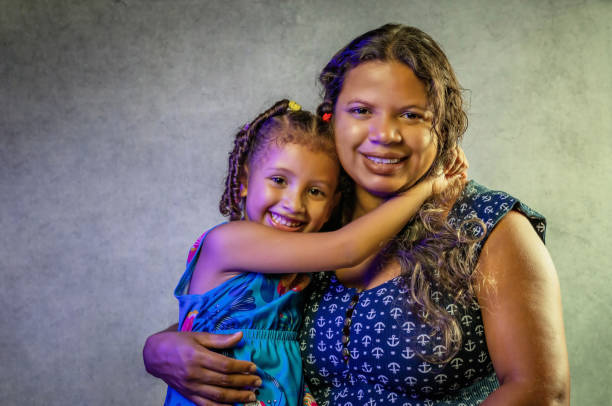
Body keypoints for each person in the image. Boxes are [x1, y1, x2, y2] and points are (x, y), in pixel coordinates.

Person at [144, 25, 570, 405]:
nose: (384, 134)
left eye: (411, 114)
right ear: (331, 120)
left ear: (442, 127)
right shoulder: (312, 222)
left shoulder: (489, 227)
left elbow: (540, 394)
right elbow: (233, 313)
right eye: (362, 111)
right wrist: (160, 348)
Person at [162, 99, 464, 406]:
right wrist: (428, 187)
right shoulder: (229, 241)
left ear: (333, 203)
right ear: (243, 181)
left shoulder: (302, 260)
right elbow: (347, 248)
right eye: (279, 180)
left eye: (315, 191)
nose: (294, 204)